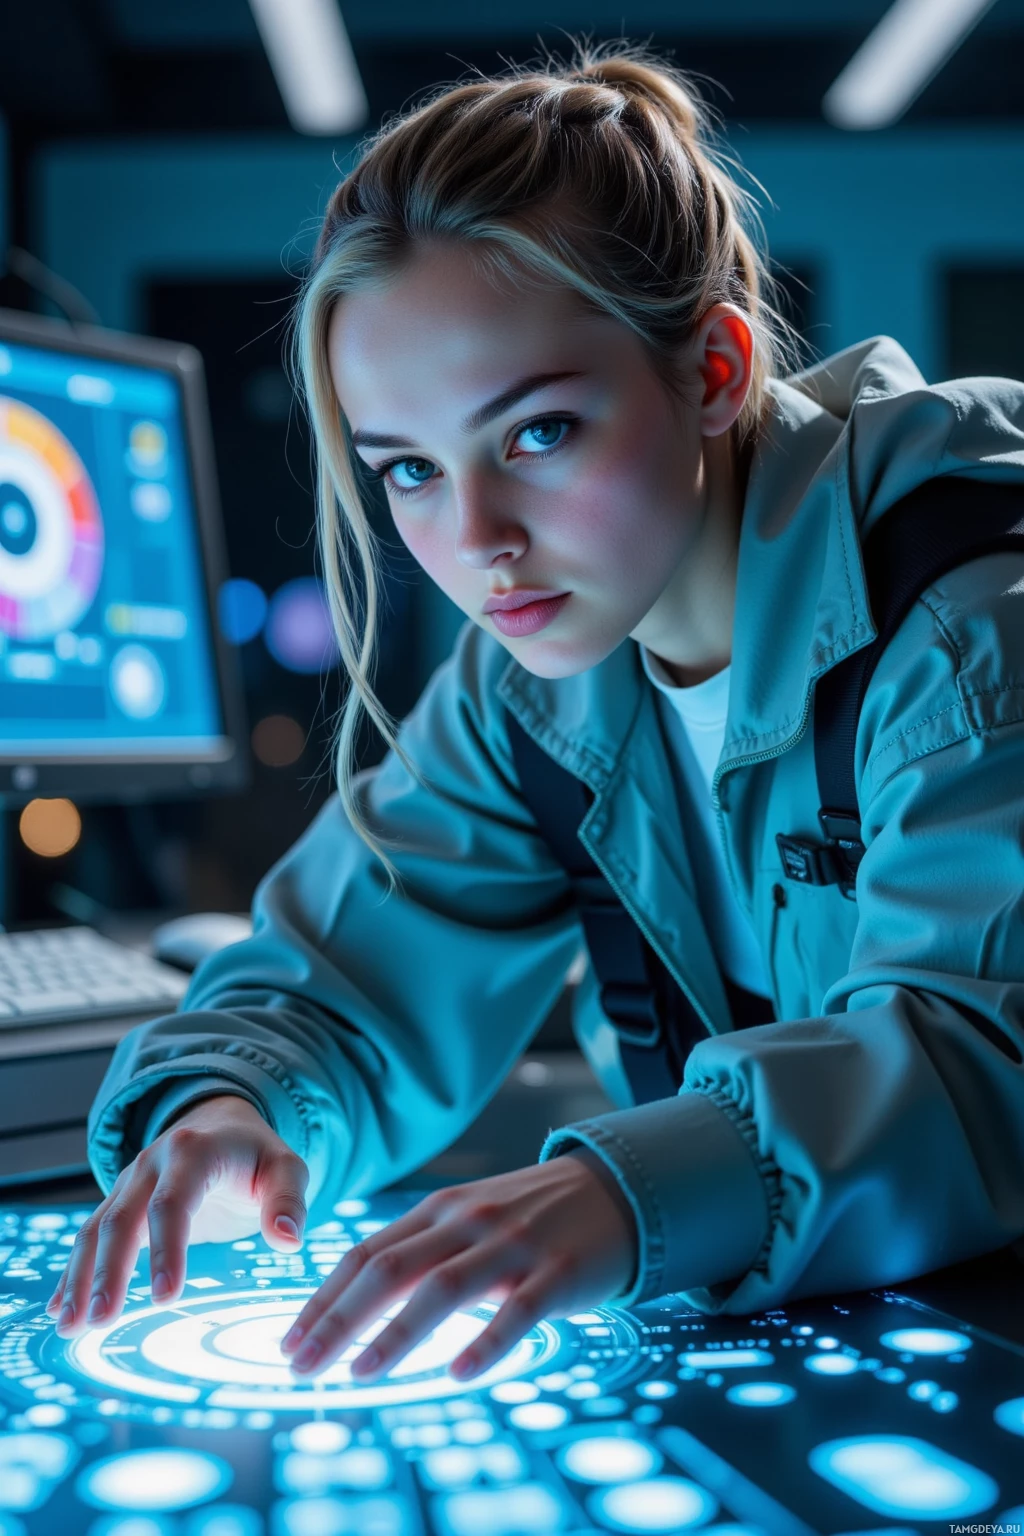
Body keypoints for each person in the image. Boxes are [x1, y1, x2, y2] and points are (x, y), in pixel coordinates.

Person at [51, 42, 1024, 1389]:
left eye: (537, 435)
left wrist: (620, 1199)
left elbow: (983, 1065)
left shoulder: (973, 620)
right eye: (406, 468)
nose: (475, 541)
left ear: (718, 371)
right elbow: (345, 982)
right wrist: (233, 1105)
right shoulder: (541, 677)